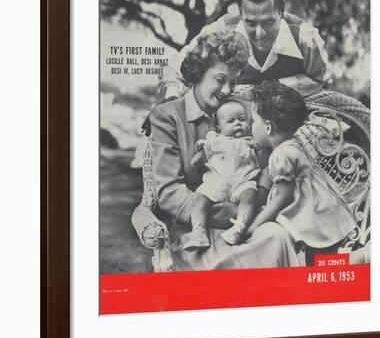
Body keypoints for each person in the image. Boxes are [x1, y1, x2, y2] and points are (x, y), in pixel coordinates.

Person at [150, 29, 301, 271]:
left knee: (277, 236)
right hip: (196, 233)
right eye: (220, 80)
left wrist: (252, 207)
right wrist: (224, 213)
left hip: (243, 220)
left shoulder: (243, 112)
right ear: (198, 72)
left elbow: (262, 161)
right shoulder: (167, 116)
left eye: (234, 81)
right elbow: (168, 191)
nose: (228, 90)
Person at [161, 0, 330, 100]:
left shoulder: (305, 38)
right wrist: (172, 99)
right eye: (250, 23)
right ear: (240, 13)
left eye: (268, 22)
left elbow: (322, 82)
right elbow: (175, 68)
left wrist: (273, 89)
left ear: (281, 12)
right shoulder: (222, 30)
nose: (260, 34)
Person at [247, 80, 357, 253]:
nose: (250, 127)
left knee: (314, 261)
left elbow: (282, 198)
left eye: (253, 122)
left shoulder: (281, 155)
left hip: (311, 217)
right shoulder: (295, 143)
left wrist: (255, 224)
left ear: (268, 127)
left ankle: (357, 258)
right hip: (325, 209)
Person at [183, 99, 260, 251]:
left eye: (242, 119)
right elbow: (203, 151)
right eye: (231, 121)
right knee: (199, 199)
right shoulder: (214, 139)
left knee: (250, 196)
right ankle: (198, 232)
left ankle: (239, 228)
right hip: (217, 182)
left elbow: (262, 161)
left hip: (243, 181)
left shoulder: (252, 141)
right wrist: (200, 156)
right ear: (219, 128)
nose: (238, 123)